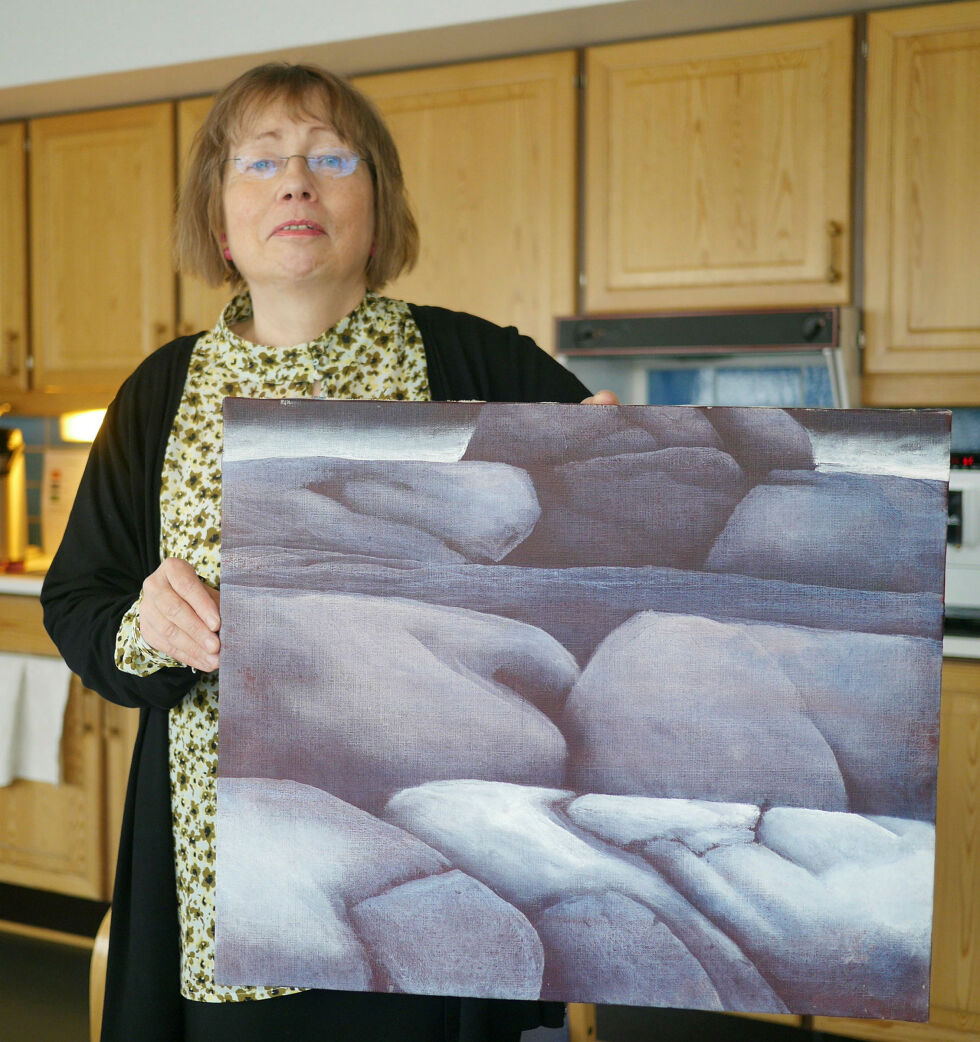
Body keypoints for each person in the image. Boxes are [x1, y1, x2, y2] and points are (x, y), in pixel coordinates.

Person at [41, 62, 615, 1042]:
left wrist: (617, 482)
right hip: (226, 887)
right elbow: (80, 603)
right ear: (220, 224)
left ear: (377, 214)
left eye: (328, 157)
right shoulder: (159, 392)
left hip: (446, 867)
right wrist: (147, 621)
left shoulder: (476, 361)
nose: (294, 181)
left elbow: (601, 586)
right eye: (259, 161)